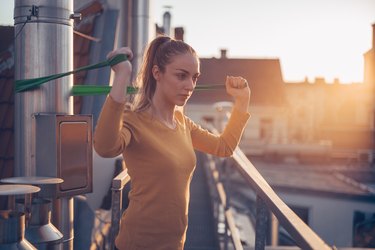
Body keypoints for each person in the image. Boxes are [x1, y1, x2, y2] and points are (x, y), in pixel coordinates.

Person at [94, 35, 251, 250]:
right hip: (138, 244)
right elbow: (105, 147)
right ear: (157, 73)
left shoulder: (182, 123)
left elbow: (224, 147)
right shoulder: (135, 119)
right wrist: (122, 75)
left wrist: (242, 102)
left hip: (175, 244)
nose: (190, 86)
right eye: (181, 76)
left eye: (194, 78)